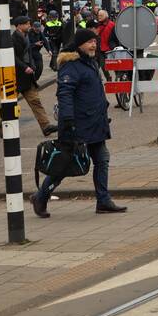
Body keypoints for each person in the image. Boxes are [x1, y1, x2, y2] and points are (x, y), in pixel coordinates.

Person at [32, 29, 127, 218]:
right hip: (77, 125)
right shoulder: (71, 65)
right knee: (64, 165)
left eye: (95, 41)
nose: (94, 45)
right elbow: (65, 93)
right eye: (90, 42)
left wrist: (103, 108)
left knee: (102, 160)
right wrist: (67, 121)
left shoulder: (90, 62)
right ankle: (41, 196)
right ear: (79, 44)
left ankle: (103, 200)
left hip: (95, 123)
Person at [12, 16, 57, 136]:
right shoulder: (13, 38)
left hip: (27, 77)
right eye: (27, 24)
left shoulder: (26, 36)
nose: (29, 26)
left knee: (35, 101)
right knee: (10, 104)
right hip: (16, 76)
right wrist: (24, 67)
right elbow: (12, 57)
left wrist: (32, 65)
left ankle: (46, 126)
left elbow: (30, 53)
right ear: (19, 25)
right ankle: (4, 127)